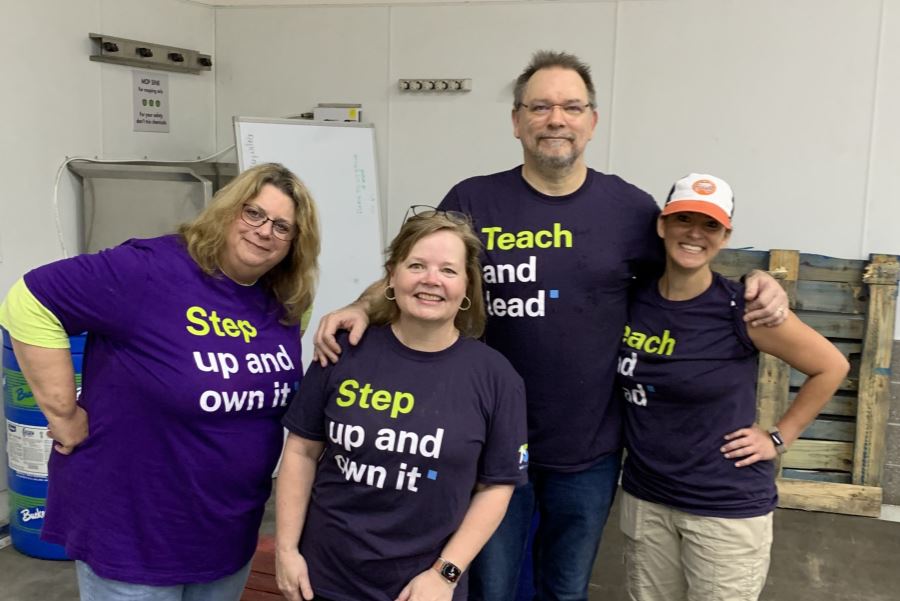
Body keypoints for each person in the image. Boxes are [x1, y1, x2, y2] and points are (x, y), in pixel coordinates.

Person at [312, 51, 788, 601]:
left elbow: (691, 261)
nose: (555, 119)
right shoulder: (473, 199)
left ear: (592, 121)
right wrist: (361, 306)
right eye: (539, 107)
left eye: (571, 107)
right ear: (516, 121)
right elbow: (419, 268)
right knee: (492, 588)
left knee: (564, 590)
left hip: (587, 449)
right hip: (486, 443)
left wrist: (757, 278)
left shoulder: (629, 209)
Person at [0, 163, 320, 600]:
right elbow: (28, 300)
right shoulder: (149, 270)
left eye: (283, 227)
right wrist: (62, 412)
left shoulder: (282, 301)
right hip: (136, 531)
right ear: (227, 211)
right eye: (254, 213)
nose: (265, 231)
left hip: (228, 529)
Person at [274, 208, 528, 601]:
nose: (431, 280)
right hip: (324, 579)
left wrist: (445, 575)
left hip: (422, 589)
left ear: (466, 285)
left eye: (448, 270)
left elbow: (497, 485)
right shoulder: (342, 352)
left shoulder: (497, 378)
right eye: (417, 265)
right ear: (392, 275)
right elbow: (302, 450)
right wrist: (286, 550)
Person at [617, 173, 849, 601]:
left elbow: (831, 366)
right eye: (683, 219)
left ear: (725, 237)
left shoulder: (743, 308)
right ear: (662, 225)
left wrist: (780, 436)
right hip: (647, 500)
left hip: (723, 508)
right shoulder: (633, 299)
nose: (694, 234)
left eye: (709, 225)